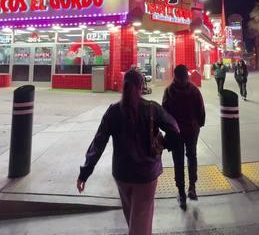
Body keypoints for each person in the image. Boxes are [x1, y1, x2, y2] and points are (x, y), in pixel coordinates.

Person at [77, 69, 179, 235]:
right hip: (146, 173)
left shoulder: (113, 111)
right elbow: (175, 128)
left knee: (134, 217)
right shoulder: (152, 109)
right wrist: (166, 145)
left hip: (122, 174)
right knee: (141, 220)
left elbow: (98, 143)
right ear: (141, 87)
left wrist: (85, 172)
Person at [162, 65, 206, 209]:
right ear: (187, 76)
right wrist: (198, 124)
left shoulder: (169, 91)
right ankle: (192, 187)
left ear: (175, 76)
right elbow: (201, 111)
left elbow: (164, 113)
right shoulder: (194, 90)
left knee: (178, 160)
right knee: (192, 156)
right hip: (192, 130)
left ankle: (181, 193)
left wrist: (168, 130)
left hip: (176, 132)